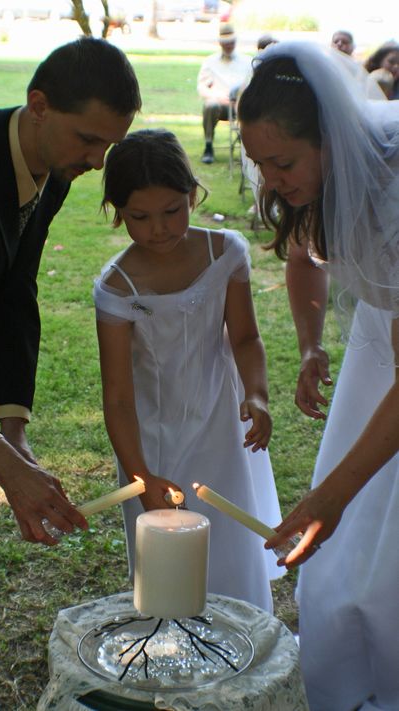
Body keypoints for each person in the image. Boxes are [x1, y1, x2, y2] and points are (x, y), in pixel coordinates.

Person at [0, 36, 140, 709]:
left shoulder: (48, 170)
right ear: (39, 105)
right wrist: (0, 463)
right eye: (89, 139)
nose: (97, 160)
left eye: (109, 144)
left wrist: (12, 429)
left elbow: (14, 294)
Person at [238, 41, 399, 711]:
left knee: (380, 561)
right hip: (378, 348)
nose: (271, 180)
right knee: (338, 564)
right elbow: (305, 256)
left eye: (283, 162)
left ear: (330, 139)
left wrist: (329, 498)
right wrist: (309, 347)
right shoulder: (313, 179)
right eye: (259, 163)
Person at [94, 128, 283, 612]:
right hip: (153, 439)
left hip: (221, 422)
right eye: (140, 217)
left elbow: (244, 338)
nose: (159, 228)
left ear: (193, 194)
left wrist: (256, 395)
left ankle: (242, 627)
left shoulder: (225, 253)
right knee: (166, 555)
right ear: (117, 211)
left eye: (172, 210)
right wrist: (139, 473)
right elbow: (116, 396)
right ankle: (169, 645)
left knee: (229, 535)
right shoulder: (117, 287)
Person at [197, 22, 252, 164]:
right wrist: (216, 96)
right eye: (226, 43)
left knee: (250, 109)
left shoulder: (247, 61)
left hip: (241, 104)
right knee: (210, 105)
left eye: (232, 43)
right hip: (220, 103)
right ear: (220, 43)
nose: (229, 46)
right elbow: (202, 87)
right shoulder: (210, 62)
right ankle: (208, 145)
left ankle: (248, 149)